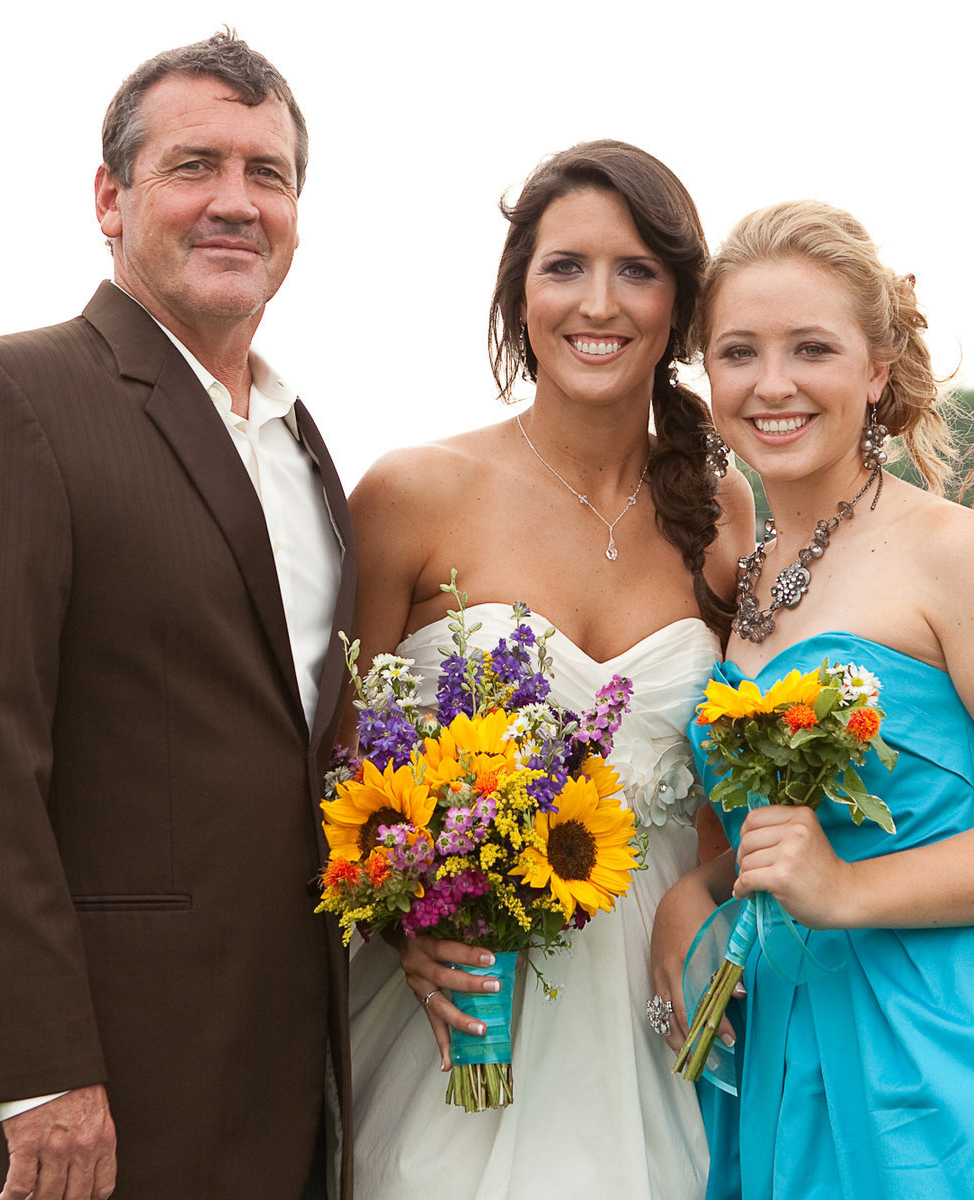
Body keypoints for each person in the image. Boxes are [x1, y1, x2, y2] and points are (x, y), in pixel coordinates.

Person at [0, 31, 355, 1200]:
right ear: (110, 200)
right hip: (95, 1093)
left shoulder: (307, 447)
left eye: (267, 175)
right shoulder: (4, 395)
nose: (236, 202)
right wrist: (37, 1070)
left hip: (285, 1076)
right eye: (194, 166)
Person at [344, 140, 752, 1199]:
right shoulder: (412, 492)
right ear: (518, 293)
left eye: (636, 271)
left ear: (678, 304)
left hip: (650, 1022)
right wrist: (398, 923)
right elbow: (334, 777)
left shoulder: (724, 515)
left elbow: (727, 800)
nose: (597, 303)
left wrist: (705, 911)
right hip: (457, 1021)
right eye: (565, 266)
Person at [653, 199, 974, 1199]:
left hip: (925, 1056)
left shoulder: (950, 555)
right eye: (738, 352)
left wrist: (847, 893)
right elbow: (776, 828)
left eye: (811, 348)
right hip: (771, 1049)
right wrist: (695, 893)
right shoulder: (740, 576)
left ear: (876, 369)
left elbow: (829, 863)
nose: (772, 383)